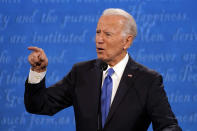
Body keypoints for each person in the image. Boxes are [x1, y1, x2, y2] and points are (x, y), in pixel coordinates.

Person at [24, 8, 182, 131]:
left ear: (127, 41)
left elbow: (168, 126)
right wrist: (37, 72)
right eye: (98, 32)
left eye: (107, 34)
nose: (99, 39)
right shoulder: (81, 73)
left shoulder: (147, 80)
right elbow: (38, 105)